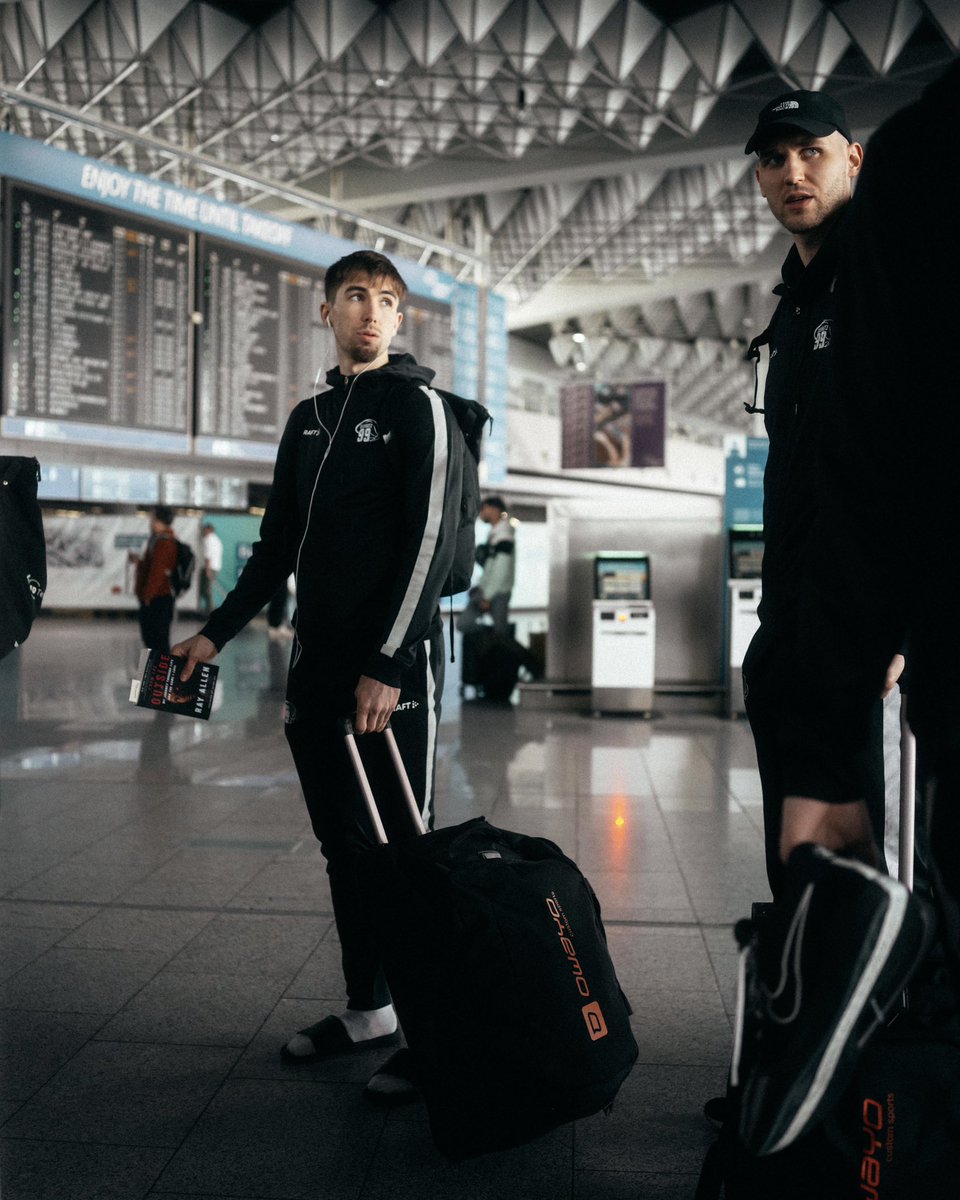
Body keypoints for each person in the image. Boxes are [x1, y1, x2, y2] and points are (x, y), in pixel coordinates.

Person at [171, 249, 465, 1099]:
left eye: (387, 302)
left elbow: (429, 546)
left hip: (389, 672)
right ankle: (370, 1008)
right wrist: (214, 636)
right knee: (345, 846)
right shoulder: (309, 419)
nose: (371, 313)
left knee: (404, 850)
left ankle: (433, 1027)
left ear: (401, 320)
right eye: (355, 298)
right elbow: (275, 549)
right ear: (325, 310)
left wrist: (390, 662)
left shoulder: (420, 408)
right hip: (316, 669)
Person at [730, 91, 934, 1158]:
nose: (791, 174)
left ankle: (884, 1091)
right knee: (804, 862)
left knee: (884, 865)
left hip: (875, 639)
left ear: (854, 157)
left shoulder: (887, 272)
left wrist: (902, 620)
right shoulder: (795, 301)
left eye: (811, 152)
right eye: (771, 161)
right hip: (797, 627)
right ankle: (807, 1062)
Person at [457, 495, 515, 637]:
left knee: (500, 633)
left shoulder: (504, 534)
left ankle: (498, 645)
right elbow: (492, 566)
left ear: (494, 509)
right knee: (498, 632)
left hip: (497, 592)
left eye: (483, 508)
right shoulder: (495, 533)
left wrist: (487, 597)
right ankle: (493, 641)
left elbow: (501, 568)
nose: (480, 512)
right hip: (487, 589)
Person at [133, 506, 178, 653]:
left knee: (157, 642)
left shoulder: (164, 542)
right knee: (152, 642)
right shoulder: (157, 539)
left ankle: (159, 675)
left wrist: (147, 595)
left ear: (158, 520)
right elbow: (153, 567)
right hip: (156, 597)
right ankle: (152, 674)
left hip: (158, 599)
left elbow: (157, 572)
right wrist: (139, 562)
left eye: (152, 518)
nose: (150, 522)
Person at [199, 523, 223, 613]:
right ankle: (208, 611)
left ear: (208, 530)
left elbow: (208, 556)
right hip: (216, 568)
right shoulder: (217, 540)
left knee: (206, 591)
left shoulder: (208, 539)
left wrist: (208, 570)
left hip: (209, 568)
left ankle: (209, 612)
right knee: (207, 590)